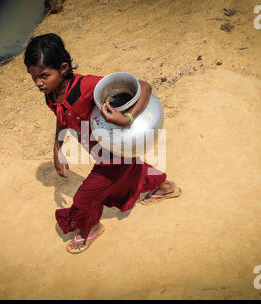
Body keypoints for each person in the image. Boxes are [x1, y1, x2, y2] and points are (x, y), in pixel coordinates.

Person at [24, 33, 182, 254]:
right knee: (132, 170)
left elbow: (144, 86)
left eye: (44, 75)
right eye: (33, 77)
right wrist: (57, 149)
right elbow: (61, 118)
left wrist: (127, 118)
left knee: (83, 199)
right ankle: (165, 187)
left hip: (113, 150)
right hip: (103, 151)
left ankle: (91, 228)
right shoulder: (51, 94)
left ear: (63, 67)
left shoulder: (87, 86)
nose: (38, 83)